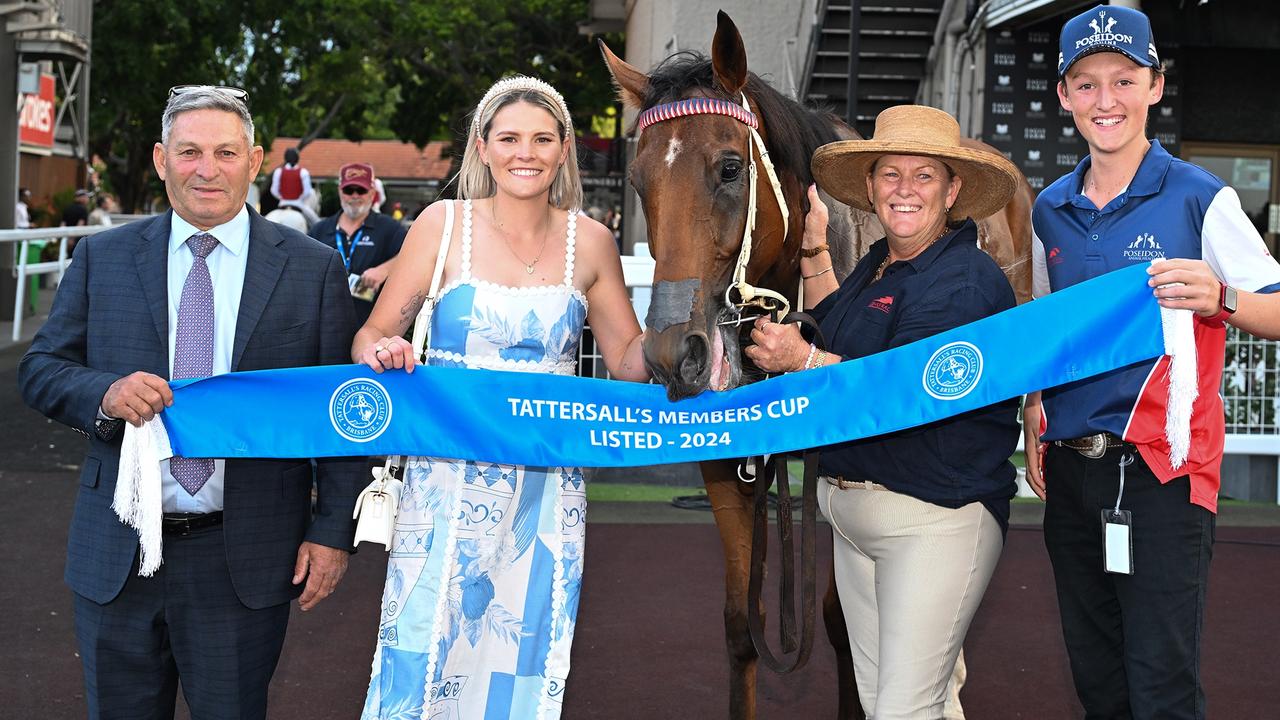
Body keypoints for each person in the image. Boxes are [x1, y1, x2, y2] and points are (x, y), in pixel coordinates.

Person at [19, 85, 364, 720]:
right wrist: (106, 393)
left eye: (226, 152)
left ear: (255, 161)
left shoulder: (311, 270)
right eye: (190, 152)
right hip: (118, 551)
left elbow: (338, 410)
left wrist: (333, 530)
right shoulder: (102, 257)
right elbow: (40, 370)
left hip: (244, 556)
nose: (207, 169)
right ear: (160, 159)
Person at [354, 75, 649, 719]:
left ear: (565, 149)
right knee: (421, 645)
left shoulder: (592, 242)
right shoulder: (441, 224)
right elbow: (374, 334)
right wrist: (383, 354)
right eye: (510, 137)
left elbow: (629, 362)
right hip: (445, 479)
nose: (527, 152)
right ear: (482, 147)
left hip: (546, 488)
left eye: (543, 139)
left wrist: (686, 333)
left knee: (526, 652)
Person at [1022, 7, 1280, 719]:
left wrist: (1221, 296)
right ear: (1064, 95)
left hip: (1164, 474)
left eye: (1124, 80)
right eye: (1088, 83)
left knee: (1161, 686)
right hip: (1072, 474)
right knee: (1098, 683)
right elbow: (1051, 332)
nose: (1107, 100)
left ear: (1155, 86)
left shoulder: (1200, 196)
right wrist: (1034, 410)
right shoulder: (1049, 207)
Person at [748, 104, 1023, 720]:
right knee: (895, 707)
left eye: (924, 176)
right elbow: (836, 330)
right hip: (857, 516)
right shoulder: (879, 264)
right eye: (890, 174)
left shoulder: (963, 283)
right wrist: (816, 250)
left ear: (953, 191)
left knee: (904, 709)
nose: (904, 189)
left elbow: (903, 392)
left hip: (931, 517)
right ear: (870, 188)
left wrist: (801, 361)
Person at [309, 163, 407, 325]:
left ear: (372, 193)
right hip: (326, 323)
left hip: (371, 324)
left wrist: (385, 269)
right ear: (340, 191)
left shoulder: (389, 228)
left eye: (361, 190)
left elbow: (415, 256)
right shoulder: (319, 229)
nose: (355, 196)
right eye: (349, 190)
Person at [270, 146, 319, 225]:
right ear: (297, 158)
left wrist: (282, 197)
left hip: (282, 203)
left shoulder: (278, 172)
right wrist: (299, 198)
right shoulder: (303, 172)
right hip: (298, 204)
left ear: (285, 158)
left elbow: (274, 191)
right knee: (316, 222)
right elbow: (307, 192)